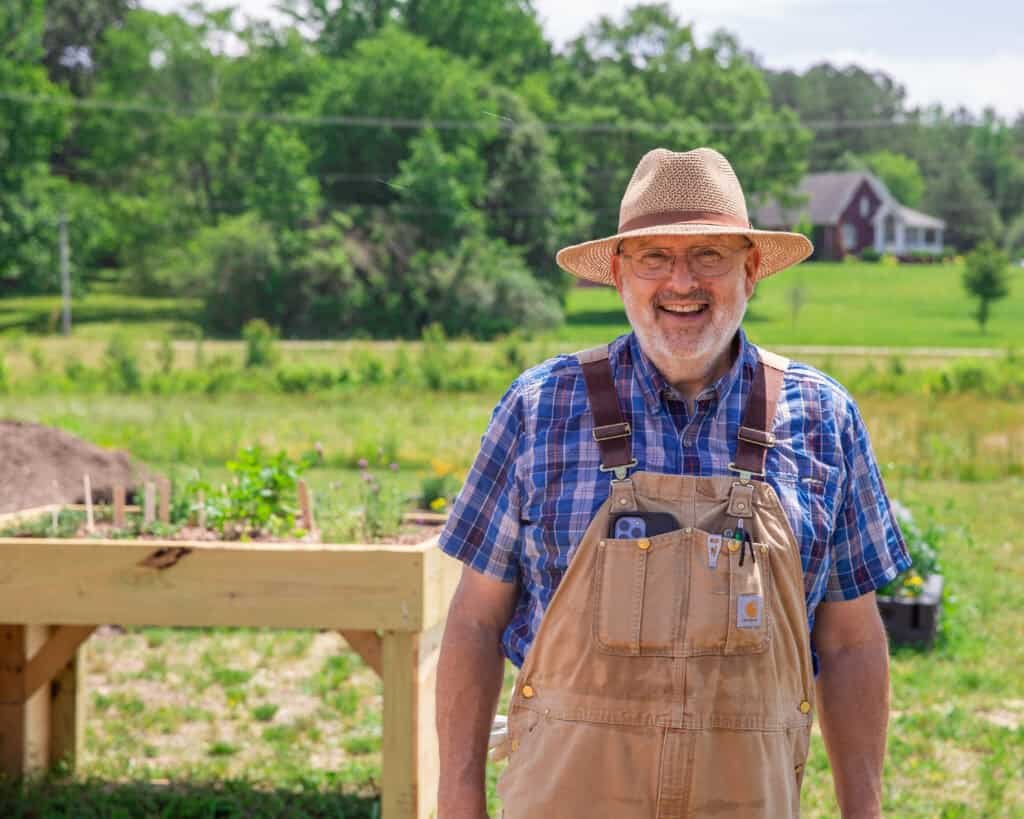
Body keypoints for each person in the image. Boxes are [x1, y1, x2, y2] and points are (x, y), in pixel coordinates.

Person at [435, 147, 910, 819]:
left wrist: (864, 809)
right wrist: (458, 800)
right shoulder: (540, 408)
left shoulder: (823, 418)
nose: (681, 282)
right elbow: (475, 619)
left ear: (750, 270)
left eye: (708, 255)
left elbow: (852, 638)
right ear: (618, 274)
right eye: (654, 256)